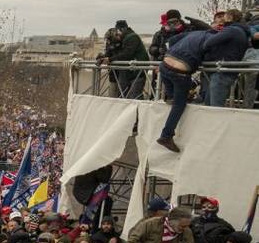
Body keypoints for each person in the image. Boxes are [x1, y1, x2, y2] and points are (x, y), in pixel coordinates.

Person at [156, 10, 250, 151]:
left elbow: (172, 41)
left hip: (164, 66)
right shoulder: (214, 37)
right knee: (178, 105)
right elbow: (207, 48)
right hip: (180, 71)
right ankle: (166, 135)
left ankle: (172, 96)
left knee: (174, 96)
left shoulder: (193, 33)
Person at [102, 20, 150, 98]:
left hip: (137, 70)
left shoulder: (131, 37)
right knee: (127, 95)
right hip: (132, 71)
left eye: (117, 31)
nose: (117, 34)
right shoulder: (128, 37)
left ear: (122, 29)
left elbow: (127, 54)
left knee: (134, 96)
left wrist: (110, 59)